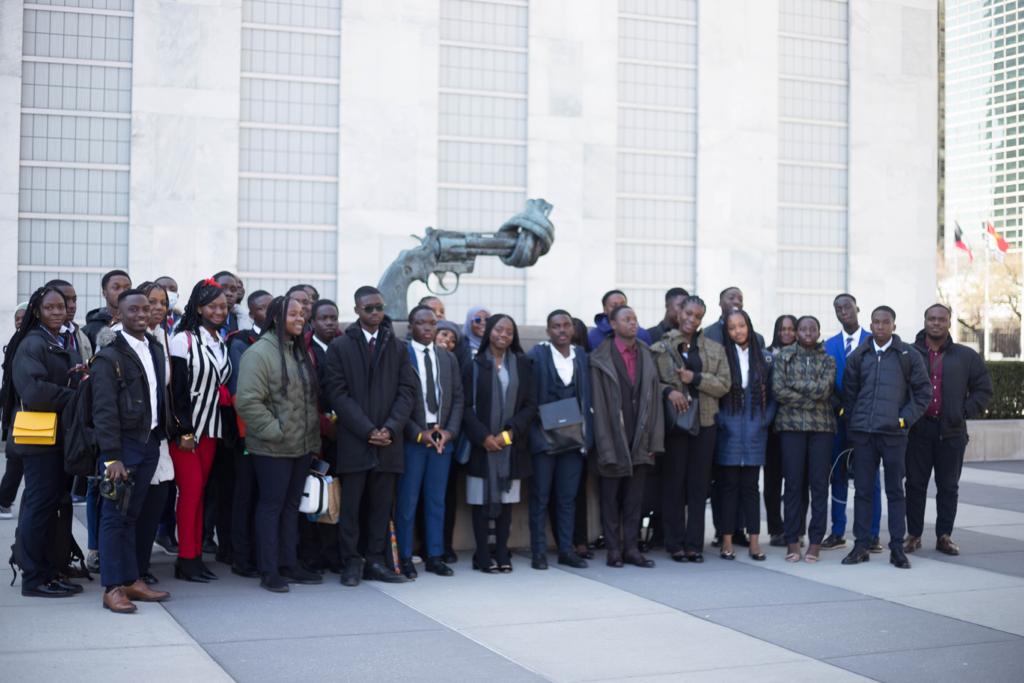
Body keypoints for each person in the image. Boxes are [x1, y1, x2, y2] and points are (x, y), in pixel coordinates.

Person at [324, 286, 416, 587]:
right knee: (350, 507)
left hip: (389, 442)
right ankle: (351, 562)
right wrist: (367, 430)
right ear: (357, 311)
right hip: (355, 441)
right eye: (368, 308)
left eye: (379, 307)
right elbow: (337, 394)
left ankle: (375, 560)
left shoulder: (398, 347)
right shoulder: (340, 347)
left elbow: (407, 392)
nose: (375, 313)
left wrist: (389, 428)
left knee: (381, 506)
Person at [0, 286, 85, 597]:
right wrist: (75, 395)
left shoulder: (59, 340)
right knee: (39, 505)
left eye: (60, 307)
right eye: (49, 308)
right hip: (40, 440)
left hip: (61, 435)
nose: (57, 312)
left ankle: (51, 571)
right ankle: (33, 578)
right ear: (37, 311)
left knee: (53, 506)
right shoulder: (33, 343)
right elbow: (33, 391)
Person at [90, 289, 172, 612]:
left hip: (148, 442)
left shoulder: (152, 346)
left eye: (146, 307)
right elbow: (104, 410)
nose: (142, 313)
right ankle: (112, 587)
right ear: (119, 314)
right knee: (114, 517)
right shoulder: (109, 354)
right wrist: (112, 456)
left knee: (132, 517)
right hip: (122, 448)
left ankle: (130, 579)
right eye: (133, 309)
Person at [236, 295, 323, 593]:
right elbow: (247, 402)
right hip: (272, 447)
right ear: (276, 318)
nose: (301, 318)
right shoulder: (259, 353)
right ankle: (269, 569)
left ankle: (289, 563)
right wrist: (276, 431)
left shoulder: (298, 351)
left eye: (303, 314)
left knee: (290, 508)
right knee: (271, 507)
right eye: (294, 314)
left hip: (301, 446)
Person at [840, 306, 931, 569]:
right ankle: (861, 545)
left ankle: (896, 548)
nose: (880, 326)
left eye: (885, 322)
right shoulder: (860, 354)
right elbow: (850, 392)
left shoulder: (908, 355)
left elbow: (923, 393)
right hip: (864, 435)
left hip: (893, 435)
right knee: (863, 491)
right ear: (871, 324)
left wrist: (903, 420)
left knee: (894, 491)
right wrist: (855, 421)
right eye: (876, 322)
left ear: (894, 324)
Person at [904, 304, 992, 556]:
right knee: (915, 485)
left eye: (941, 319)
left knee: (948, 487)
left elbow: (983, 389)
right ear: (924, 321)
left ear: (949, 322)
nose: (936, 323)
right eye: (931, 318)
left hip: (952, 432)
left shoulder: (966, 356)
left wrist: (962, 411)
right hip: (918, 432)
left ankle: (944, 535)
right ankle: (914, 535)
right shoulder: (908, 353)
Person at [651, 296, 730, 563]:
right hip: (676, 423)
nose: (691, 319)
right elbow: (650, 383)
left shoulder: (714, 349)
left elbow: (724, 384)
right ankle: (674, 543)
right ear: (678, 312)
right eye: (687, 313)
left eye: (697, 316)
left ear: (701, 319)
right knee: (674, 484)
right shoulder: (661, 347)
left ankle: (694, 544)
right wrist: (670, 391)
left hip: (705, 423)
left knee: (698, 486)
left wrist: (695, 378)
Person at [590, 305, 664, 568]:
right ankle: (613, 549)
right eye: (626, 319)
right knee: (610, 499)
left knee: (635, 499)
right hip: (611, 437)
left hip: (640, 437)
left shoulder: (646, 354)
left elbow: (654, 400)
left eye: (634, 318)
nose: (633, 323)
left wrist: (654, 441)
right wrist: (603, 445)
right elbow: (597, 407)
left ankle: (631, 548)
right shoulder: (599, 358)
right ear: (612, 324)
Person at [168, 279, 231, 582]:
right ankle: (186, 559)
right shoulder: (183, 340)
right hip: (187, 431)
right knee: (190, 493)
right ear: (199, 307)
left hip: (212, 429)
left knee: (200, 494)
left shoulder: (220, 340)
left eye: (223, 306)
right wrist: (184, 430)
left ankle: (194, 556)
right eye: (213, 306)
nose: (219, 311)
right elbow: (177, 390)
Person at [462, 314, 536, 573]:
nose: (503, 334)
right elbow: (465, 406)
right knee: (479, 501)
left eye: (509, 331)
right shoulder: (473, 364)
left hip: (510, 446)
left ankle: (502, 553)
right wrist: (484, 437)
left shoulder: (523, 364)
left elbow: (530, 405)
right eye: (498, 329)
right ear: (488, 332)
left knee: (506, 503)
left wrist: (507, 435)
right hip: (480, 445)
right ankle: (482, 555)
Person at [395, 306, 463, 579]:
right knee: (407, 501)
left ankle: (435, 555)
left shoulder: (447, 358)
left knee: (436, 501)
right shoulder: (401, 355)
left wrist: (450, 431)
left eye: (432, 324)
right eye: (421, 323)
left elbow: (458, 397)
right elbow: (396, 399)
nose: (427, 328)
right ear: (411, 326)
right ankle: (405, 556)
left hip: (441, 439)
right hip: (414, 439)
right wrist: (416, 432)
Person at [527, 310, 594, 570]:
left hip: (572, 439)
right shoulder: (537, 355)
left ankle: (566, 550)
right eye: (556, 326)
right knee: (540, 497)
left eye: (566, 325)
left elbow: (586, 397)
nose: (562, 330)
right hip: (544, 439)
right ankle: (539, 552)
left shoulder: (581, 357)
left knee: (567, 498)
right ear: (548, 331)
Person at [772, 316, 836, 564]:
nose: (808, 332)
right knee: (793, 486)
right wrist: (811, 401)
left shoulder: (828, 359)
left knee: (819, 486)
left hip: (822, 429)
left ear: (819, 332)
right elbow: (779, 389)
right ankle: (792, 540)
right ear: (796, 332)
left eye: (812, 328)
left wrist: (797, 389)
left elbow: (825, 389)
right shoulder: (784, 356)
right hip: (791, 429)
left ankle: (816, 542)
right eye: (803, 328)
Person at [714, 310, 775, 561]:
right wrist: (722, 420)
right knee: (728, 487)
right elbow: (714, 394)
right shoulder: (721, 356)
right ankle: (726, 540)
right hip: (728, 432)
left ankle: (754, 542)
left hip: (755, 432)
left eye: (741, 325)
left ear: (749, 326)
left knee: (751, 488)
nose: (738, 331)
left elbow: (773, 396)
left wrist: (764, 420)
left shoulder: (764, 358)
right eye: (732, 327)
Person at [823, 293, 880, 551]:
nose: (843, 310)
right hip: (839, 421)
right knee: (838, 476)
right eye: (838, 308)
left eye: (847, 306)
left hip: (869, 423)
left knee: (869, 479)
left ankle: (872, 534)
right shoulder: (829, 345)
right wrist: (840, 407)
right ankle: (837, 532)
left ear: (857, 307)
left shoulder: (874, 341)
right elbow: (826, 383)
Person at [224, 290, 273, 579]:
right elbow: (241, 392)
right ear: (252, 312)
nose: (267, 313)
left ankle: (260, 553)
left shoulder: (282, 341)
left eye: (271, 307)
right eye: (262, 308)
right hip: (248, 432)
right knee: (244, 495)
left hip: (276, 437)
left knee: (264, 497)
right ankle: (241, 557)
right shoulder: (241, 342)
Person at [132, 282, 175, 586]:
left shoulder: (161, 337)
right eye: (152, 302)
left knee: (156, 499)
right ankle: (129, 570)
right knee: (134, 505)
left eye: (163, 303)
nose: (158, 308)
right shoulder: (120, 336)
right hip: (135, 438)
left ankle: (142, 565)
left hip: (160, 436)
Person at [764, 314, 800, 547]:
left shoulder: (805, 354)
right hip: (771, 429)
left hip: (796, 426)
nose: (786, 333)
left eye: (791, 329)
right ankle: (776, 529)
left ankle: (795, 529)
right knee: (772, 482)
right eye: (782, 329)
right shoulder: (766, 355)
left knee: (796, 481)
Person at [0, 303, 31, 519]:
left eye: (23, 317)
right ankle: (4, 501)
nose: (20, 321)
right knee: (16, 458)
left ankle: (4, 501)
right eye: (17, 318)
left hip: (21, 412)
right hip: (19, 412)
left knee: (18, 459)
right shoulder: (18, 342)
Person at [588, 290, 652, 350]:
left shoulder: (641, 334)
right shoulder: (593, 336)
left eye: (623, 305)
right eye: (614, 306)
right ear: (605, 309)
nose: (619, 308)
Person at [83, 269, 132, 347]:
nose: (122, 292)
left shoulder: (138, 324)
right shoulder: (89, 330)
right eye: (116, 287)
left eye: (127, 288)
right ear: (104, 293)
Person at [46, 280, 93, 361]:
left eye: (74, 300)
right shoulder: (39, 337)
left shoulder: (81, 336)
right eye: (66, 300)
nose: (72, 305)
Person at [213, 271, 244, 336]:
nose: (229, 293)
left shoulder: (241, 321)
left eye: (233, 290)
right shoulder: (200, 322)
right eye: (223, 288)